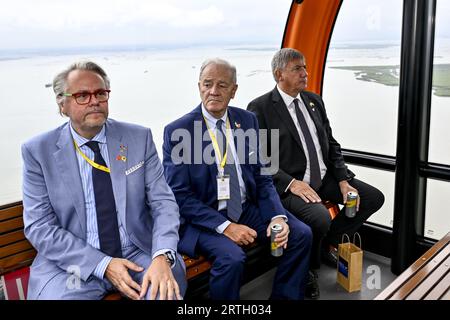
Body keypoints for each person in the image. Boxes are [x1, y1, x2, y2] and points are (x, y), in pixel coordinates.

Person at [22, 61, 186, 300]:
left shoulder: (138, 138)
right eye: (82, 95)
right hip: (73, 264)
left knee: (165, 291)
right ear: (62, 104)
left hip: (137, 253)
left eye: (100, 93)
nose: (94, 101)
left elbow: (164, 203)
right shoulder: (38, 151)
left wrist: (161, 255)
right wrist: (103, 264)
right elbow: (40, 227)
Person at [162, 58, 312, 300]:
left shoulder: (247, 120)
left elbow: (263, 176)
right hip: (204, 218)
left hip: (243, 208)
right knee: (232, 259)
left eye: (222, 85)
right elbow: (180, 196)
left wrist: (277, 216)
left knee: (300, 234)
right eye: (207, 84)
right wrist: (227, 228)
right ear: (198, 86)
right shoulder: (179, 131)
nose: (213, 91)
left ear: (234, 91)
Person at [247, 48, 385, 299]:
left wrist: (343, 180)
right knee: (320, 217)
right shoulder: (261, 108)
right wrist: (291, 183)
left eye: (305, 67)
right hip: (292, 186)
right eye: (297, 68)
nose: (305, 73)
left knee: (373, 197)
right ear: (279, 74)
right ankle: (308, 270)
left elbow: (331, 144)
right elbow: (259, 159)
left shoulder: (314, 101)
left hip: (325, 178)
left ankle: (325, 244)